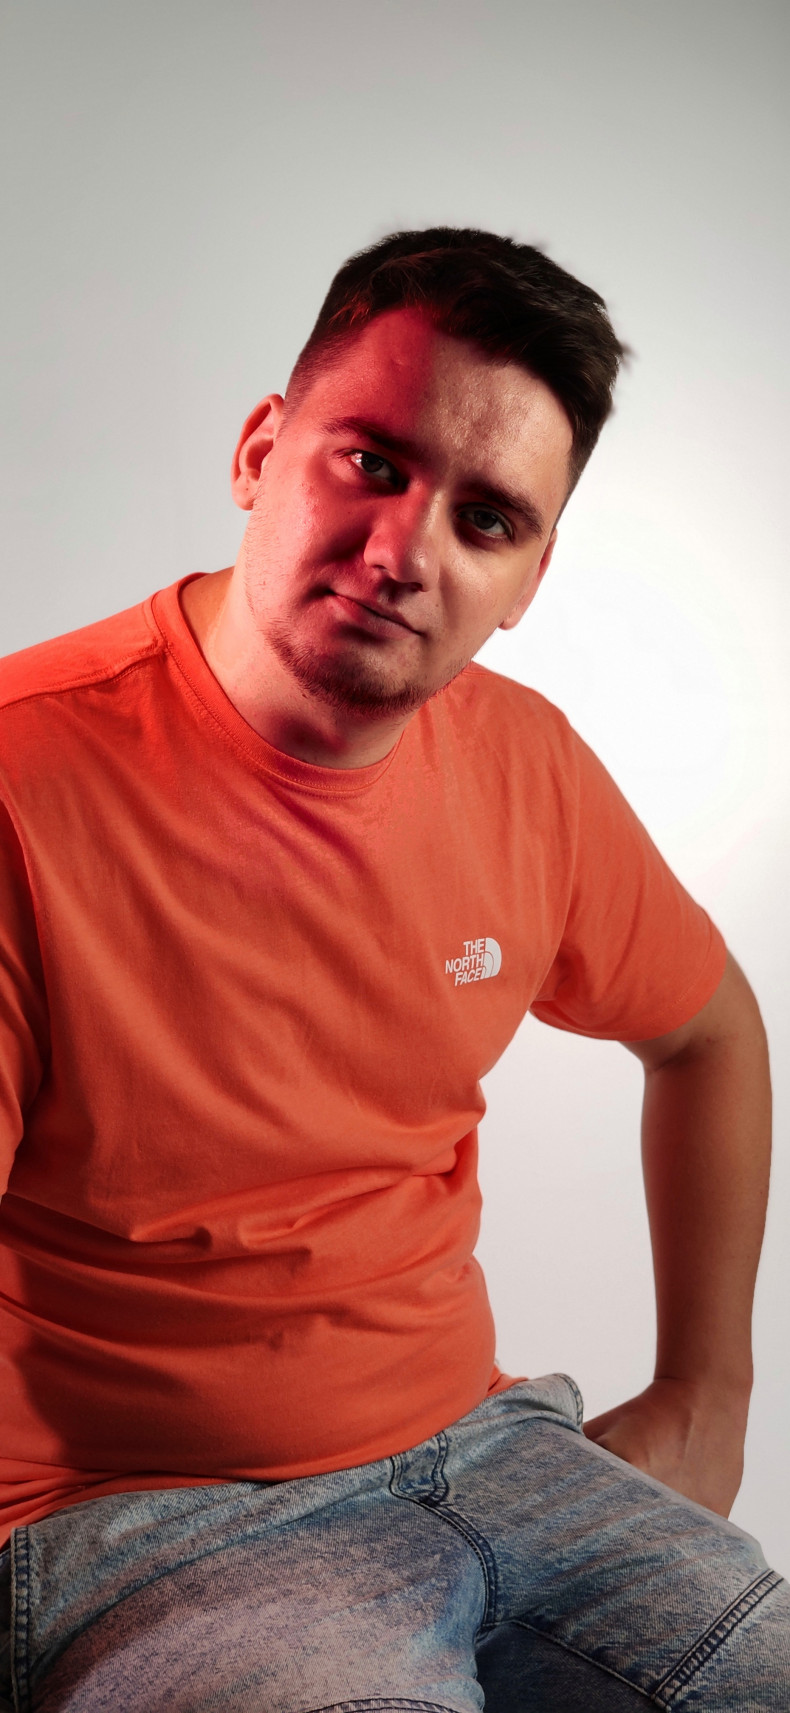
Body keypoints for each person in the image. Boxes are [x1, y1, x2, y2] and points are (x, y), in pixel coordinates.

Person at [0, 226, 786, 1711]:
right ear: (260, 451)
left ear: (529, 577)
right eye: (371, 462)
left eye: (485, 520)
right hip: (144, 1521)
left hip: (493, 1453)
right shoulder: (22, 782)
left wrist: (708, 1392)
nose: (404, 554)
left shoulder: (525, 766)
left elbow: (708, 1032)